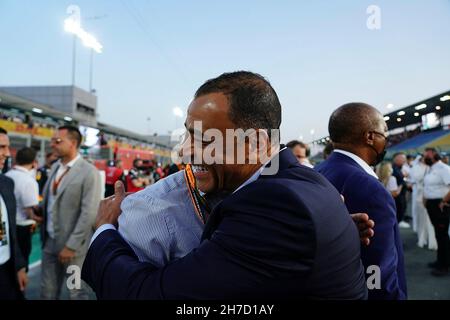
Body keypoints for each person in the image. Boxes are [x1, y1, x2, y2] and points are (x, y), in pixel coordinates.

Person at [82, 71, 368, 299]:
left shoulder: (278, 208)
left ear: (256, 143)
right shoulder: (307, 181)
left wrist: (104, 230)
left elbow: (145, 294)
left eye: (204, 139)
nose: (184, 151)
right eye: (187, 135)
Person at [316, 102, 407, 300]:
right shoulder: (370, 189)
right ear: (370, 137)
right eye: (385, 134)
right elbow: (377, 273)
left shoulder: (318, 171)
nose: (386, 141)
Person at [40, 125, 102, 299]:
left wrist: (71, 246)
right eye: (52, 140)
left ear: (73, 143)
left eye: (58, 141)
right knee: (47, 292)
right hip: (50, 242)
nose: (53, 144)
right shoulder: (54, 168)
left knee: (76, 292)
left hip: (74, 248)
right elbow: (52, 200)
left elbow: (88, 213)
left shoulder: (89, 172)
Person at [0, 127, 28, 299]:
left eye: (7, 147)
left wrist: (19, 266)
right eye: (1, 147)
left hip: (6, 269)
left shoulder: (7, 183)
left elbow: (11, 230)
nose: (7, 153)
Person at [5, 147, 42, 272]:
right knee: (21, 263)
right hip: (22, 228)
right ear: (33, 162)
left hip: (7, 225)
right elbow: (30, 212)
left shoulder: (6, 175)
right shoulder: (29, 181)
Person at [423, 147, 450, 276]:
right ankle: (440, 260)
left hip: (440, 205)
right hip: (432, 204)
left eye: (425, 154)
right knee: (438, 234)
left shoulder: (444, 168)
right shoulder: (431, 168)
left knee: (442, 235)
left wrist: (444, 201)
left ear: (433, 154)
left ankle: (445, 266)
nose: (424, 157)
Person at [409, 155, 437, 250]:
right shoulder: (416, 168)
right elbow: (414, 179)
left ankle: (431, 240)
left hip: (429, 196)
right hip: (420, 195)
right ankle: (422, 238)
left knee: (431, 219)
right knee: (422, 219)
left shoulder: (432, 168)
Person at [392, 153, 410, 228]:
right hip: (397, 194)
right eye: (403, 159)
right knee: (399, 209)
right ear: (397, 159)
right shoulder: (394, 168)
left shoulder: (399, 168)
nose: (404, 161)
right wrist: (402, 184)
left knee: (402, 208)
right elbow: (397, 181)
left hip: (401, 194)